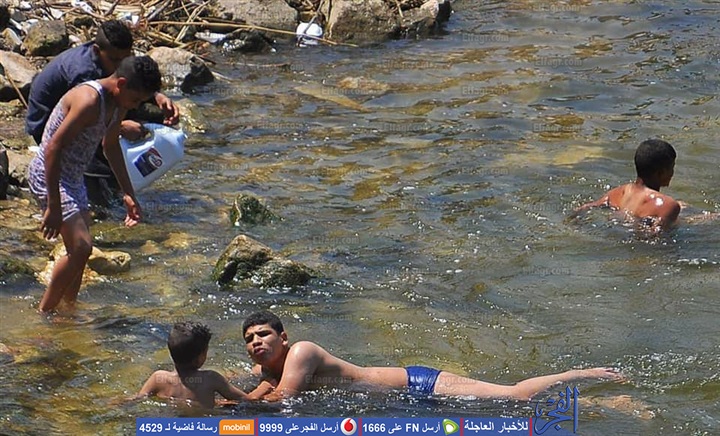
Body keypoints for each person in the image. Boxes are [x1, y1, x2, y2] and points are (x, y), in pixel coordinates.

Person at [27, 56, 162, 314]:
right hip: (49, 174)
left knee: (78, 252)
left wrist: (128, 193)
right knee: (81, 247)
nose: (135, 106)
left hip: (74, 177)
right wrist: (53, 206)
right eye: (135, 100)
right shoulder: (89, 101)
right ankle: (44, 313)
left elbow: (110, 146)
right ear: (121, 84)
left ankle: (67, 310)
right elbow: (53, 148)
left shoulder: (118, 104)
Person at [241, 311, 622, 401]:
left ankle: (580, 375)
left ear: (283, 338)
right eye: (249, 339)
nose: (256, 341)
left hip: (418, 384)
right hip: (402, 400)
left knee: (515, 396)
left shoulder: (302, 352)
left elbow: (284, 397)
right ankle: (594, 401)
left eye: (263, 334)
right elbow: (262, 388)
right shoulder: (266, 370)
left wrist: (232, 403)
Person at [25, 19, 179, 202]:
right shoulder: (84, 76)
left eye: (125, 59)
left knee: (116, 158)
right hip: (46, 123)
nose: (120, 65)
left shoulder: (108, 64)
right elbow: (82, 120)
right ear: (97, 51)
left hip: (82, 115)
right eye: (115, 60)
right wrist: (120, 126)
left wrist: (155, 96)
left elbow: (129, 79)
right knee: (101, 177)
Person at [575, 139, 681, 230]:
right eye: (672, 168)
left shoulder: (618, 192)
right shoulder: (668, 205)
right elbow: (657, 235)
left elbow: (585, 207)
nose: (672, 173)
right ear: (661, 173)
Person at [137, 322, 248, 408]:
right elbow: (245, 399)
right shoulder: (211, 378)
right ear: (200, 357)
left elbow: (138, 398)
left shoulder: (158, 378)